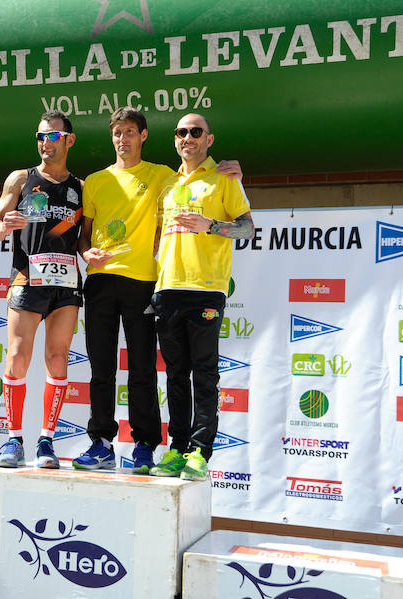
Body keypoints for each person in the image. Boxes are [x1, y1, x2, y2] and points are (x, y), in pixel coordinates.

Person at [73, 107, 241, 474]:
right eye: (118, 132)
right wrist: (85, 252)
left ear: (144, 136)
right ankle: (101, 443)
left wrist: (234, 171)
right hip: (101, 281)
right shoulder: (96, 180)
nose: (123, 139)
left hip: (146, 284)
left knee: (144, 371)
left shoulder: (165, 175)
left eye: (130, 131)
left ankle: (145, 445)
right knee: (102, 368)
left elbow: (209, 183)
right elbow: (83, 233)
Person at [149, 113, 254, 481]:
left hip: (206, 288)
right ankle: (177, 448)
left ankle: (200, 452)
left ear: (209, 139)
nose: (187, 137)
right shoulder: (167, 183)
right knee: (176, 375)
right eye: (181, 132)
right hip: (167, 288)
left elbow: (248, 229)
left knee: (204, 373)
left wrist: (211, 226)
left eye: (195, 132)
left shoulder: (224, 178)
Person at [0, 110, 83, 469]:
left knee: (57, 359)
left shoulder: (80, 187)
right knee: (17, 356)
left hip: (66, 284)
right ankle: (13, 440)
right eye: (41, 136)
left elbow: (84, 239)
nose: (46, 142)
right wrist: (3, 225)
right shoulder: (21, 179)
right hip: (28, 277)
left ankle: (47, 440)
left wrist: (93, 254)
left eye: (53, 136)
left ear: (69, 140)